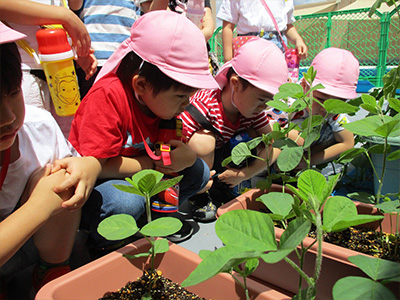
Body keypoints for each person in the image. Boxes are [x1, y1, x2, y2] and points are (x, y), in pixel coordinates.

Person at [68, 10, 218, 248]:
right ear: (141, 84)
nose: (187, 103)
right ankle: (105, 240)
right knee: (126, 202)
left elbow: (174, 150)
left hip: (143, 173)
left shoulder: (162, 104)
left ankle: (155, 222)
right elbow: (98, 166)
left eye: (190, 95)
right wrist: (155, 164)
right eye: (181, 95)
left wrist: (187, 157)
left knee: (198, 171)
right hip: (103, 182)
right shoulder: (108, 97)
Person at [0, 22, 100, 298]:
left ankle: (51, 272)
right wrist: (40, 207)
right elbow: (42, 207)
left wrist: (89, 165)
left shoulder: (38, 126)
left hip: (31, 247)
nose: (8, 117)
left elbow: (80, 164)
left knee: (61, 176)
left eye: (13, 93)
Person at [178, 38, 287, 222]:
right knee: (203, 142)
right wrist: (196, 179)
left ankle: (222, 188)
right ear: (235, 84)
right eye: (262, 100)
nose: (265, 107)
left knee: (256, 136)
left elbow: (275, 144)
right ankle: (200, 195)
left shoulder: (252, 110)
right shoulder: (204, 106)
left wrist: (246, 173)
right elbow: (173, 144)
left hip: (221, 158)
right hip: (192, 164)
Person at [0, 0, 97, 138]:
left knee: (64, 142)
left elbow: (75, 5)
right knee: (30, 139)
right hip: (24, 71)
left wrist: (74, 48)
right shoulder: (64, 15)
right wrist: (65, 16)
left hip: (61, 66)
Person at [286, 47, 359, 171]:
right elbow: (270, 127)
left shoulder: (335, 113)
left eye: (338, 102)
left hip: (310, 150)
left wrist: (309, 160)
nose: (326, 108)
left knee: (335, 132)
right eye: (320, 99)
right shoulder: (291, 101)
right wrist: (297, 138)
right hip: (285, 143)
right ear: (304, 86)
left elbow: (347, 143)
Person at [69, 0, 141, 98]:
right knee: (93, 107)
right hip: (92, 60)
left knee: (124, 107)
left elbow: (147, 17)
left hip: (126, 60)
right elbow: (74, 6)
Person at [217, 0, 308, 62]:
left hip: (276, 47)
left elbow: (286, 25)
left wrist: (298, 40)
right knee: (250, 86)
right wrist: (228, 62)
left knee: (275, 86)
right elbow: (228, 26)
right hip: (247, 47)